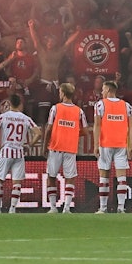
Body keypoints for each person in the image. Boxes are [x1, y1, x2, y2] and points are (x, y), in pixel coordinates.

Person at [0, 92, 39, 213]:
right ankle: (12, 209)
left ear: (9, 104)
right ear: (20, 104)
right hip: (19, 152)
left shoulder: (3, 116)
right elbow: (38, 133)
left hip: (6, 151)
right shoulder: (25, 118)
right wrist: (30, 145)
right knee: (17, 182)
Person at [93, 79, 132, 214]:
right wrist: (130, 145)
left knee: (104, 176)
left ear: (108, 90)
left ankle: (103, 208)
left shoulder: (100, 105)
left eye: (103, 90)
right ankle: (121, 208)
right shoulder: (127, 106)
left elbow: (97, 125)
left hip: (105, 144)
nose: (101, 92)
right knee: (121, 177)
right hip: (121, 145)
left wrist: (96, 144)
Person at [43, 82, 86, 214]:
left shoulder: (55, 108)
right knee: (70, 177)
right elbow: (85, 131)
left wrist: (44, 146)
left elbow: (49, 128)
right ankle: (67, 208)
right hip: (70, 148)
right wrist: (72, 133)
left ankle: (53, 207)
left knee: (51, 176)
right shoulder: (79, 111)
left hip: (55, 147)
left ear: (63, 93)